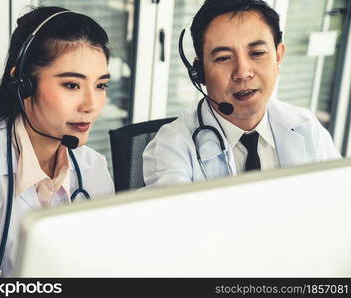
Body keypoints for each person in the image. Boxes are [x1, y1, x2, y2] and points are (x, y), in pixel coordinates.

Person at [0, 6, 114, 277]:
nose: (91, 105)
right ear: (23, 84)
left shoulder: (94, 168)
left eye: (100, 85)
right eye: (72, 85)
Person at [143, 0, 341, 187]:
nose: (243, 73)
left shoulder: (306, 128)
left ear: (278, 56)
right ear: (199, 72)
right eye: (224, 58)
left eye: (257, 53)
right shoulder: (170, 148)